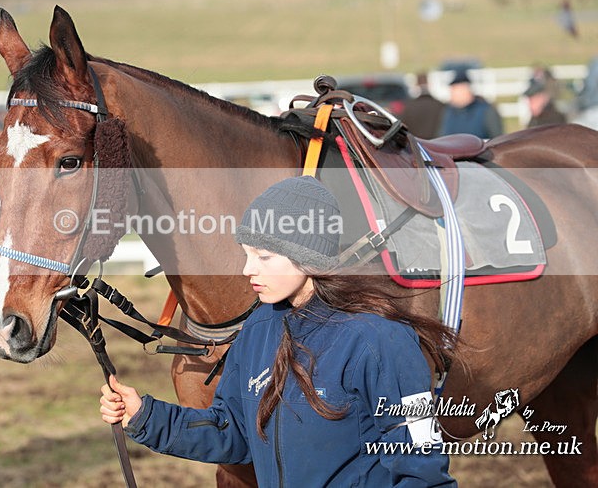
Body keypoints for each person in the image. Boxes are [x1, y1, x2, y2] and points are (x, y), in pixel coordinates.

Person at [99, 176, 457, 487]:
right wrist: (146, 416)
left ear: (308, 256)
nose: (247, 269)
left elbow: (421, 464)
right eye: (246, 254)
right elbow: (232, 431)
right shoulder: (256, 331)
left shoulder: (380, 340)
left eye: (264, 257)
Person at [439, 70, 503, 139]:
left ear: (467, 90)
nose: (452, 94)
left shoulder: (486, 111)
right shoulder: (446, 111)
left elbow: (497, 139)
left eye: (456, 90)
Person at [399, 72, 445, 139]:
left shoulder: (409, 106)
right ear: (429, 84)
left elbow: (404, 127)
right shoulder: (440, 105)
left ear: (416, 84)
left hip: (416, 145)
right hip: (435, 144)